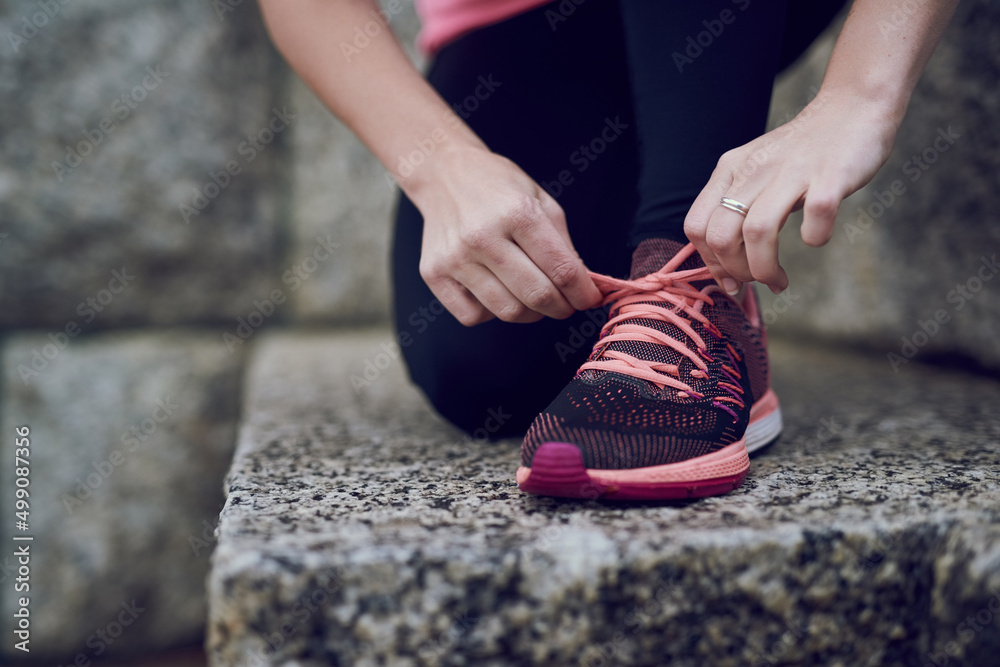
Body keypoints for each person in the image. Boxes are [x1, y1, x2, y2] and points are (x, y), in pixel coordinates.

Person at [260, 0, 959, 500]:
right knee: (486, 365)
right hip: (521, 21)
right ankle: (674, 175)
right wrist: (440, 166)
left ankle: (693, 283)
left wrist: (860, 95)